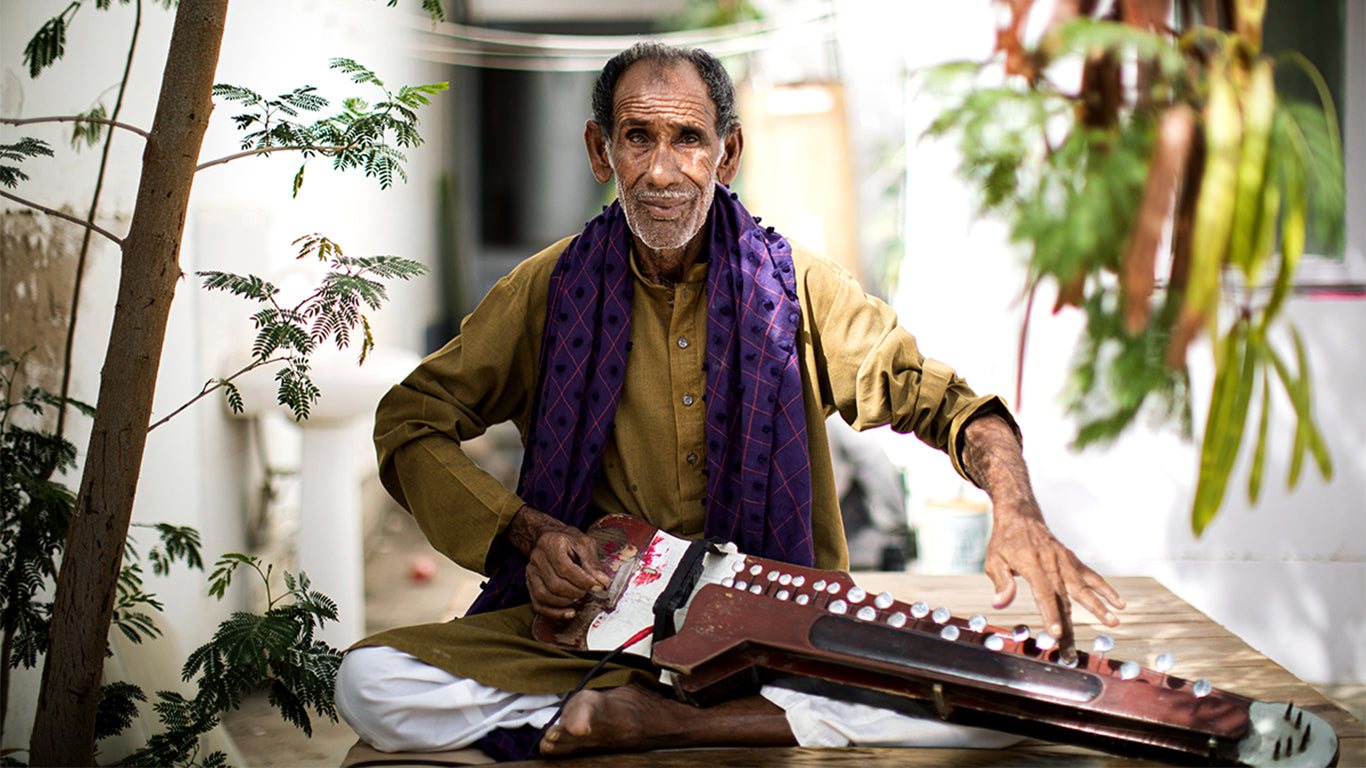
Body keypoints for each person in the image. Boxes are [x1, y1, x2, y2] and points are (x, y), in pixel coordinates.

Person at [335, 41, 1126, 760]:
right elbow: (411, 420)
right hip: (595, 624)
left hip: (778, 622)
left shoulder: (796, 288)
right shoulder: (548, 289)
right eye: (637, 138)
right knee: (370, 684)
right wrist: (527, 534)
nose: (662, 170)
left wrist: (1017, 510)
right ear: (599, 151)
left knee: (1005, 698)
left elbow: (943, 402)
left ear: (729, 152)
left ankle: (652, 720)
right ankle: (653, 705)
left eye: (689, 139)